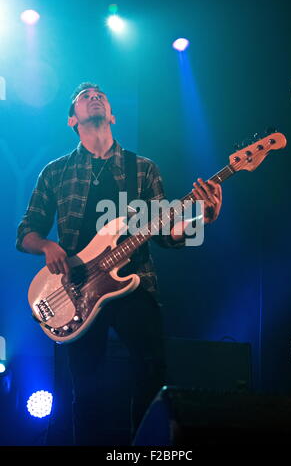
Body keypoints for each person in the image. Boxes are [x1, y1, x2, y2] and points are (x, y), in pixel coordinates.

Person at [16, 82, 222, 445]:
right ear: (71, 120)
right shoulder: (55, 172)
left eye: (101, 95)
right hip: (74, 290)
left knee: (153, 372)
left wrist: (200, 220)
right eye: (84, 96)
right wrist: (47, 245)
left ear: (112, 115)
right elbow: (25, 233)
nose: (94, 96)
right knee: (86, 389)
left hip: (132, 283)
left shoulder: (142, 169)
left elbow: (164, 234)